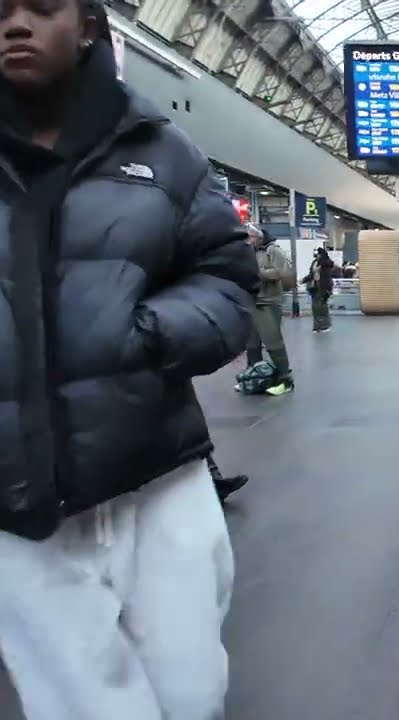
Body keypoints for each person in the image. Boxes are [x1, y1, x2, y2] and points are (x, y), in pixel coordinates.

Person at [0, 2, 257, 717]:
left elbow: (227, 279)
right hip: (16, 498)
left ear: (85, 26)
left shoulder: (162, 151)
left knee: (191, 685)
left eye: (40, 8)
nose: (14, 25)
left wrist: (147, 334)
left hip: (153, 468)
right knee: (80, 700)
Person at [245, 223, 294, 395]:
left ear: (258, 237)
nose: (248, 240)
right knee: (251, 344)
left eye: (251, 237)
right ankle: (253, 378)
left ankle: (285, 380)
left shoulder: (273, 250)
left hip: (268, 301)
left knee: (272, 341)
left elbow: (282, 272)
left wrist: (258, 273)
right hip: (251, 300)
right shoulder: (247, 252)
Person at [303, 246, 336, 332]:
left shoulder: (326, 263)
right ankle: (317, 326)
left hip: (323, 287)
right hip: (314, 287)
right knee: (315, 307)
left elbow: (327, 274)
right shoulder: (314, 262)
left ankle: (325, 325)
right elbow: (311, 274)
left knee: (322, 307)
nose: (316, 255)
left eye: (317, 253)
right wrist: (304, 279)